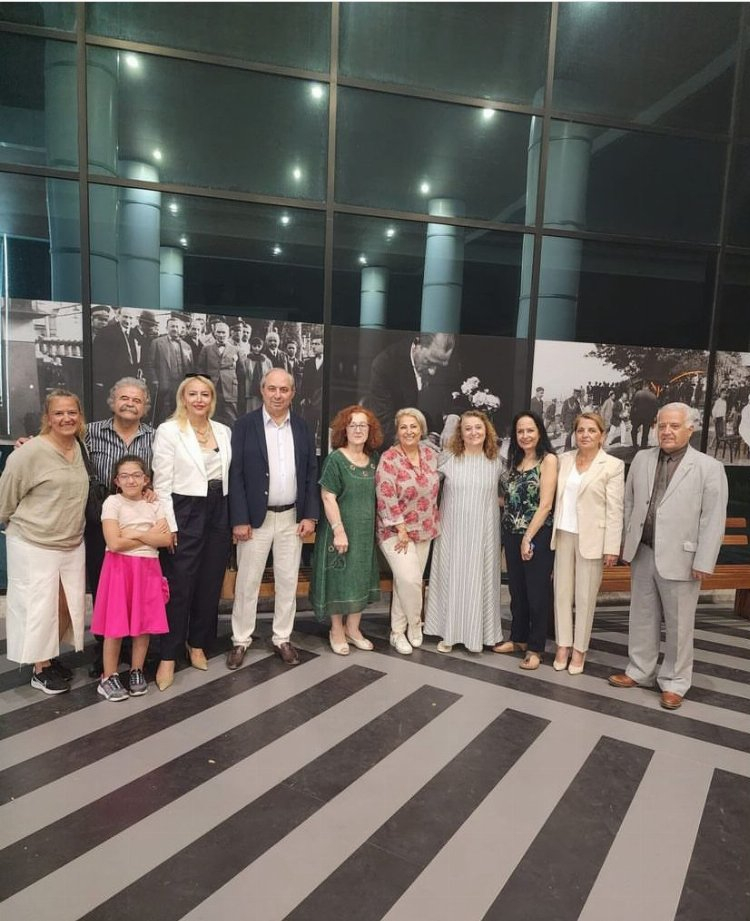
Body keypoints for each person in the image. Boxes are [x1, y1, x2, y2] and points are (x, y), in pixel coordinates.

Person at [609, 403, 728, 709]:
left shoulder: (708, 467)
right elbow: (629, 502)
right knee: (641, 616)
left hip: (683, 559)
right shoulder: (642, 459)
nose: (666, 431)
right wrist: (626, 543)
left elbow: (713, 519)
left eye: (674, 426)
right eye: (662, 425)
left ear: (691, 428)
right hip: (643, 552)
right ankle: (640, 670)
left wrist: (704, 561)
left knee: (679, 624)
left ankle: (675, 681)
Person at [227, 368, 319, 668]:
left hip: (292, 518)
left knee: (288, 581)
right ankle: (240, 640)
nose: (277, 395)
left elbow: (311, 473)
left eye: (284, 389)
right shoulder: (244, 425)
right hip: (255, 520)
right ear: (262, 390)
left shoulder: (303, 427)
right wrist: (239, 519)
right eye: (272, 389)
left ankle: (282, 637)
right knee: (247, 583)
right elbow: (235, 474)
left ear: (293, 393)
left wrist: (310, 515)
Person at [0, 390, 89, 694]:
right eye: (59, 413)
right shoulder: (29, 452)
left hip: (71, 542)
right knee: (39, 607)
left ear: (80, 416)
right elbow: (5, 498)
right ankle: (40, 669)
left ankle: (50, 657)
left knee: (65, 604)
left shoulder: (80, 447)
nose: (66, 418)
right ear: (48, 418)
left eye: (72, 412)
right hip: (34, 543)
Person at [151, 374, 233, 690]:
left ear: (212, 399)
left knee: (210, 582)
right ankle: (168, 655)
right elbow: (161, 483)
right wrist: (170, 525)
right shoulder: (169, 431)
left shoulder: (223, 431)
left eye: (205, 394)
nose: (199, 400)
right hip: (185, 509)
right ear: (183, 398)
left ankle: (197, 643)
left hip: (219, 508)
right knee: (179, 585)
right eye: (193, 394)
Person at [90, 455, 171, 701]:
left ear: (146, 479)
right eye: (124, 476)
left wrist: (133, 533)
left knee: (142, 624)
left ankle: (137, 670)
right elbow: (114, 543)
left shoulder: (154, 504)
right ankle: (108, 676)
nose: (131, 480)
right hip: (119, 569)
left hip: (148, 569)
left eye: (136, 475)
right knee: (114, 625)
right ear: (116, 481)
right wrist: (147, 534)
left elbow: (165, 539)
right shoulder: (113, 503)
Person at [424, 410, 504, 654]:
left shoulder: (497, 462)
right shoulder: (447, 458)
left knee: (480, 579)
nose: (473, 432)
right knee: (452, 578)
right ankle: (448, 633)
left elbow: (510, 493)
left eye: (478, 427)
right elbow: (425, 487)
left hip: (484, 534)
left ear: (486, 430)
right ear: (460, 432)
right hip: (453, 532)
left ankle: (481, 634)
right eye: (467, 428)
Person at [551, 412, 624, 675]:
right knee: (561, 595)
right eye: (581, 430)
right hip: (563, 534)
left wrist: (612, 547)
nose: (585, 435)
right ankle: (563, 646)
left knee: (585, 598)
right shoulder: (563, 460)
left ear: (602, 435)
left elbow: (615, 509)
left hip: (593, 539)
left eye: (592, 430)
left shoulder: (613, 465)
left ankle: (580, 650)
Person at [309, 405, 383, 654]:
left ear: (370, 430)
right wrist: (339, 531)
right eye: (353, 425)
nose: (358, 430)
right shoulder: (336, 460)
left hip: (364, 533)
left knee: (360, 578)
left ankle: (353, 629)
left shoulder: (374, 460)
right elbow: (327, 496)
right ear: (344, 430)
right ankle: (336, 630)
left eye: (363, 425)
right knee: (339, 580)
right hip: (339, 532)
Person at [494, 411, 557, 669]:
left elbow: (546, 505)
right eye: (520, 431)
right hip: (511, 532)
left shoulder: (548, 460)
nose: (525, 435)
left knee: (537, 592)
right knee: (517, 589)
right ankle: (518, 638)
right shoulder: (515, 461)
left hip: (537, 534)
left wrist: (528, 537)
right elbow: (508, 499)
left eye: (530, 430)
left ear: (539, 432)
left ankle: (535, 647)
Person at [375, 407, 440, 655]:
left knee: (405, 583)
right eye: (403, 427)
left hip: (425, 528)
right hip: (395, 532)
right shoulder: (389, 458)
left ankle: (397, 632)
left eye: (413, 426)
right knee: (410, 580)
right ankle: (415, 623)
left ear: (421, 430)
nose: (409, 431)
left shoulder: (431, 455)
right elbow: (385, 496)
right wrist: (400, 528)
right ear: (397, 431)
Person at [367, 332, 461, 446]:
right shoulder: (385, 365)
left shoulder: (445, 358)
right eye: (428, 362)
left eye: (439, 366)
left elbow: (456, 390)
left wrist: (453, 418)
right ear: (417, 344)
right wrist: (416, 442)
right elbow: (383, 423)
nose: (433, 372)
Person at [92, 307, 142, 420]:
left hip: (129, 380)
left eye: (130, 318)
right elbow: (98, 358)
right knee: (110, 409)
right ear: (118, 316)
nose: (128, 320)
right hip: (111, 379)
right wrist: (100, 380)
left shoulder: (134, 334)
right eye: (125, 317)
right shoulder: (106, 332)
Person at [146, 314, 194, 425]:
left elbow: (191, 367)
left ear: (181, 329)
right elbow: (150, 364)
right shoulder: (157, 343)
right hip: (163, 384)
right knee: (161, 414)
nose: (175, 329)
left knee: (178, 413)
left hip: (180, 385)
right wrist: (155, 380)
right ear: (167, 328)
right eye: (172, 326)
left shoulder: (187, 346)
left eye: (177, 327)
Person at [197, 321, 243, 427]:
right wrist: (205, 384)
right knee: (211, 417)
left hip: (230, 390)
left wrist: (239, 391)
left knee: (231, 419)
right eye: (219, 332)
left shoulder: (236, 349)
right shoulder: (206, 349)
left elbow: (241, 372)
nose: (221, 335)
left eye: (223, 332)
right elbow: (200, 368)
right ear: (214, 333)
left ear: (228, 333)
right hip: (212, 388)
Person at [299, 334, 324, 448]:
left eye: (317, 344)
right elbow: (304, 382)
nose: (314, 346)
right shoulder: (309, 363)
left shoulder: (329, 361)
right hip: (310, 400)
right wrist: (303, 398)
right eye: (313, 344)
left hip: (322, 401)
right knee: (309, 426)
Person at [241, 337, 273, 412]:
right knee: (251, 410)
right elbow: (244, 374)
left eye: (259, 346)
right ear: (251, 346)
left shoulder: (266, 360)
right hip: (250, 390)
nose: (256, 348)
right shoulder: (247, 360)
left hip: (262, 390)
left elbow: (270, 375)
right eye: (254, 346)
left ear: (262, 347)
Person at [630, 383, 659, 449]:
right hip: (648, 417)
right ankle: (643, 445)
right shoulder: (653, 396)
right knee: (645, 432)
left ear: (643, 387)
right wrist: (654, 417)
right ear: (648, 388)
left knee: (634, 430)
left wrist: (631, 416)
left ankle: (634, 444)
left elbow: (633, 406)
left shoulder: (638, 393)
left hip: (638, 416)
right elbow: (655, 408)